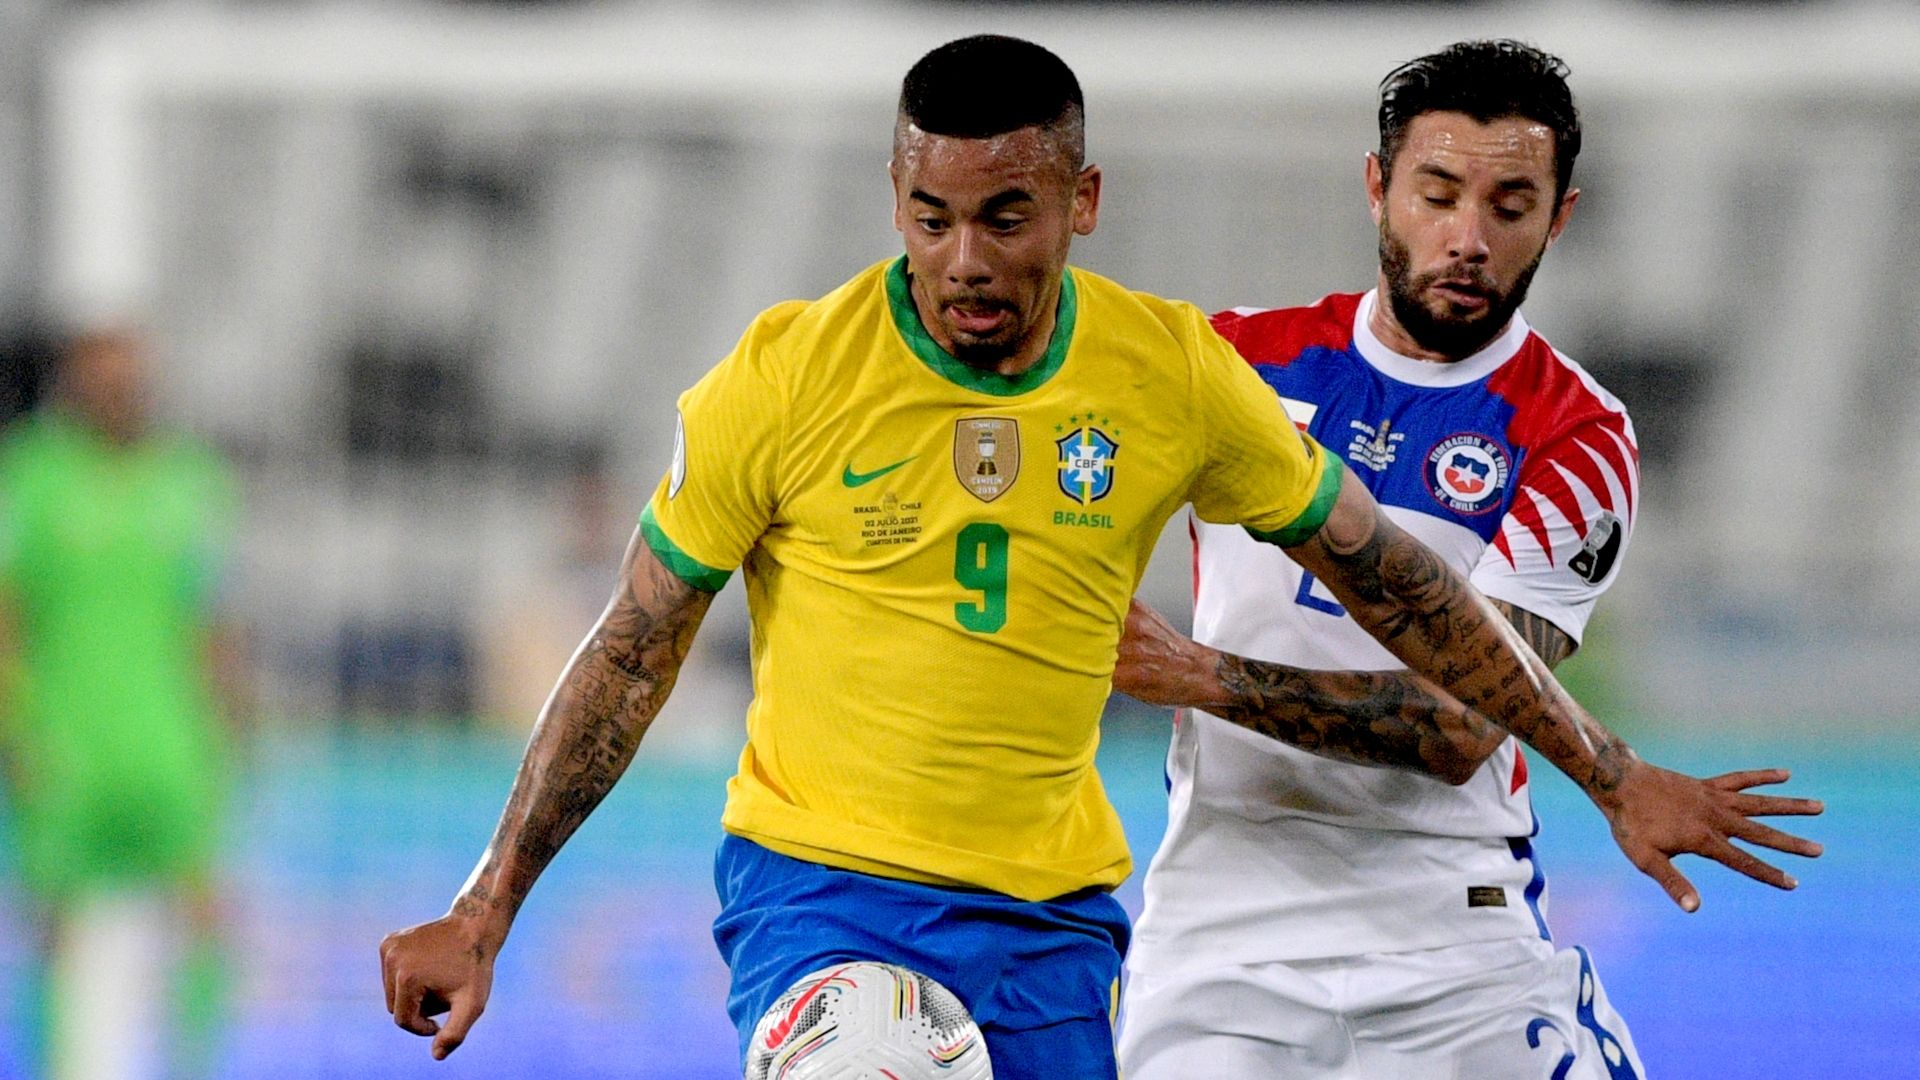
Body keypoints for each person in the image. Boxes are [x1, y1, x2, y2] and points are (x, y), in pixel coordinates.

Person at [379, 36, 1813, 1079]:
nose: (966, 261)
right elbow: (636, 641)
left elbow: (1407, 600)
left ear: (1082, 202)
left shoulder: (1175, 378)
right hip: (833, 892)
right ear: (895, 201)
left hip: (1074, 918)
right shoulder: (785, 374)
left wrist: (1608, 769)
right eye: (932, 219)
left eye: (1008, 217)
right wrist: (483, 907)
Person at [1112, 40, 1823, 1080]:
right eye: (1438, 194)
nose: (1469, 238)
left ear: (1559, 216)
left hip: (1455, 945)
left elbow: (1459, 729)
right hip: (1216, 941)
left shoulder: (1577, 434)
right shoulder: (1229, 363)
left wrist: (1202, 677)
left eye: (1509, 204)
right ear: (1377, 187)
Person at [0, 329, 244, 1080]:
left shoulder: (192, 480)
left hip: (173, 750)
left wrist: (230, 730)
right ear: (74, 383)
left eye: (132, 376)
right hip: (68, 749)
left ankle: (196, 1067)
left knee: (204, 920)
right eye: (103, 376)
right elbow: (8, 616)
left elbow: (212, 625)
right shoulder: (33, 478)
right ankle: (48, 1067)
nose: (120, 390)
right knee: (54, 929)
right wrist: (16, 731)